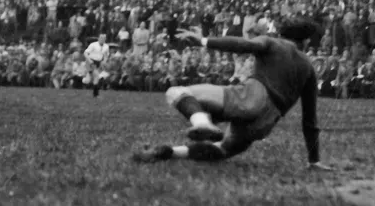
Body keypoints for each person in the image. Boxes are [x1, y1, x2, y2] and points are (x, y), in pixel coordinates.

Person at [133, 19, 325, 167]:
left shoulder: (273, 43)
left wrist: (204, 40)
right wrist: (314, 160)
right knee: (221, 150)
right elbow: (310, 120)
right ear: (305, 41)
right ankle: (168, 152)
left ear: (280, 33)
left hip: (252, 97)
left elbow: (242, 45)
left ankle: (202, 123)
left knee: (176, 92)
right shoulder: (308, 67)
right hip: (265, 123)